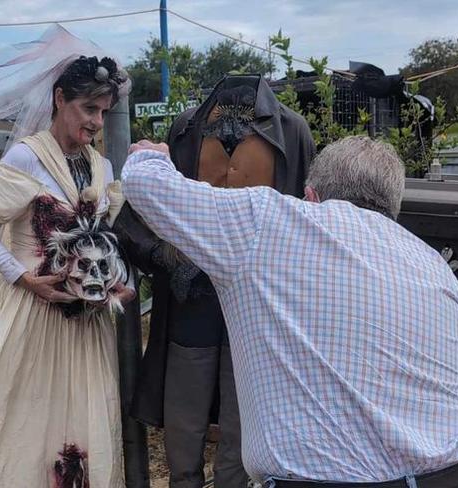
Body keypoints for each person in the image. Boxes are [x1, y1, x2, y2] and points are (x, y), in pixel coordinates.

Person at [121, 136, 458, 488]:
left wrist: (149, 155)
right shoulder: (431, 263)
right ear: (393, 207)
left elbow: (143, 185)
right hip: (451, 477)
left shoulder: (267, 222)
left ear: (311, 196)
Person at [0, 26, 132, 488]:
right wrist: (24, 279)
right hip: (28, 313)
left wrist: (113, 282)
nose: (97, 122)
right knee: (23, 421)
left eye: (103, 111)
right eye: (88, 108)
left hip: (85, 325)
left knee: (79, 419)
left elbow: (102, 239)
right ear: (59, 99)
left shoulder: (101, 167)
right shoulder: (27, 157)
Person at [115, 74, 314, 488]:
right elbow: (151, 204)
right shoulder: (186, 127)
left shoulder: (293, 131)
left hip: (257, 302)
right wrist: (166, 255)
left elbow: (302, 213)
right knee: (183, 419)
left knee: (244, 418)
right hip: (194, 299)